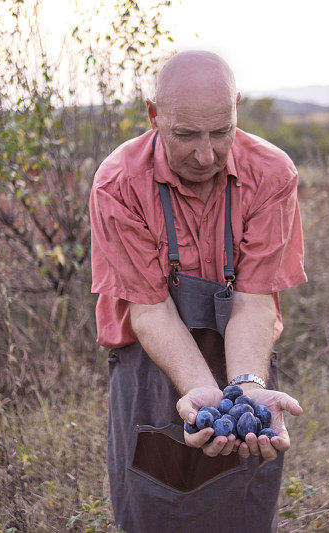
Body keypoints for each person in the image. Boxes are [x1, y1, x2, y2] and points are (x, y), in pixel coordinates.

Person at [89, 50, 308, 532]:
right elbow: (150, 313)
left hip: (242, 357)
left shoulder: (271, 176)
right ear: (154, 116)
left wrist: (248, 387)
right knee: (156, 507)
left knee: (240, 509)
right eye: (186, 135)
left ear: (236, 111)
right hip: (150, 364)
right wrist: (200, 391)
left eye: (221, 132)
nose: (206, 155)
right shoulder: (119, 185)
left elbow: (252, 304)